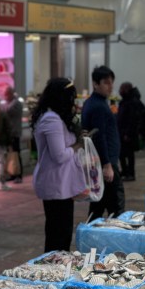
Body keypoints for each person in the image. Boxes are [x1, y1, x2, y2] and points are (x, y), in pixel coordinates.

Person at [32, 78, 86, 252]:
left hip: (61, 184)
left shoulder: (54, 117)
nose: (72, 102)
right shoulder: (51, 119)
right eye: (70, 97)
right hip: (55, 184)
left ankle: (57, 268)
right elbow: (59, 155)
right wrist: (77, 145)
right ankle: (52, 270)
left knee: (62, 233)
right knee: (58, 236)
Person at [81, 66, 124, 220]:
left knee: (98, 204)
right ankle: (115, 237)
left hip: (104, 162)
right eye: (106, 82)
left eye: (111, 82)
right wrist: (107, 165)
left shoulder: (96, 102)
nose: (110, 86)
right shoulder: (98, 106)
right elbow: (99, 137)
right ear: (95, 84)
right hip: (104, 164)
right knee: (116, 206)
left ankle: (90, 235)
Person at [116, 83, 144, 182]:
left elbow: (132, 119)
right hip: (122, 132)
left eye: (121, 89)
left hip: (128, 133)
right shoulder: (126, 101)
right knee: (122, 154)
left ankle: (130, 173)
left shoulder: (132, 102)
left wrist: (127, 133)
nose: (120, 91)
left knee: (129, 154)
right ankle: (125, 171)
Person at [3, 86, 24, 182]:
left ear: (11, 94)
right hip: (10, 132)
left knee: (16, 153)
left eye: (6, 95)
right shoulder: (9, 103)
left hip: (14, 132)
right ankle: (13, 173)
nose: (5, 97)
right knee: (11, 154)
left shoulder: (16, 104)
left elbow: (7, 111)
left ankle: (19, 175)